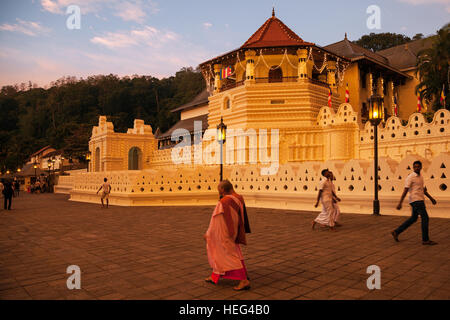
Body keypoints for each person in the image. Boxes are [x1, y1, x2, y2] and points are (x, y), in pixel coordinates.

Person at [204, 180, 251, 291]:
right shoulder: (238, 197)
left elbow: (216, 220)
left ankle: (243, 280)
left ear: (223, 190)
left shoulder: (223, 202)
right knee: (234, 252)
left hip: (225, 233)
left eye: (220, 192)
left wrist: (209, 233)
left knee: (227, 254)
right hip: (234, 229)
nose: (220, 194)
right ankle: (215, 275)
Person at [391, 160, 437, 245]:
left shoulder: (421, 177)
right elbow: (405, 190)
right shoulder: (410, 177)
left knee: (413, 218)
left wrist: (431, 198)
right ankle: (425, 240)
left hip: (419, 199)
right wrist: (400, 202)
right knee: (425, 218)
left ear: (421, 167)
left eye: (418, 166)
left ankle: (396, 232)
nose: (416, 168)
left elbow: (423, 190)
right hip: (416, 200)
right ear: (413, 168)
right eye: (415, 167)